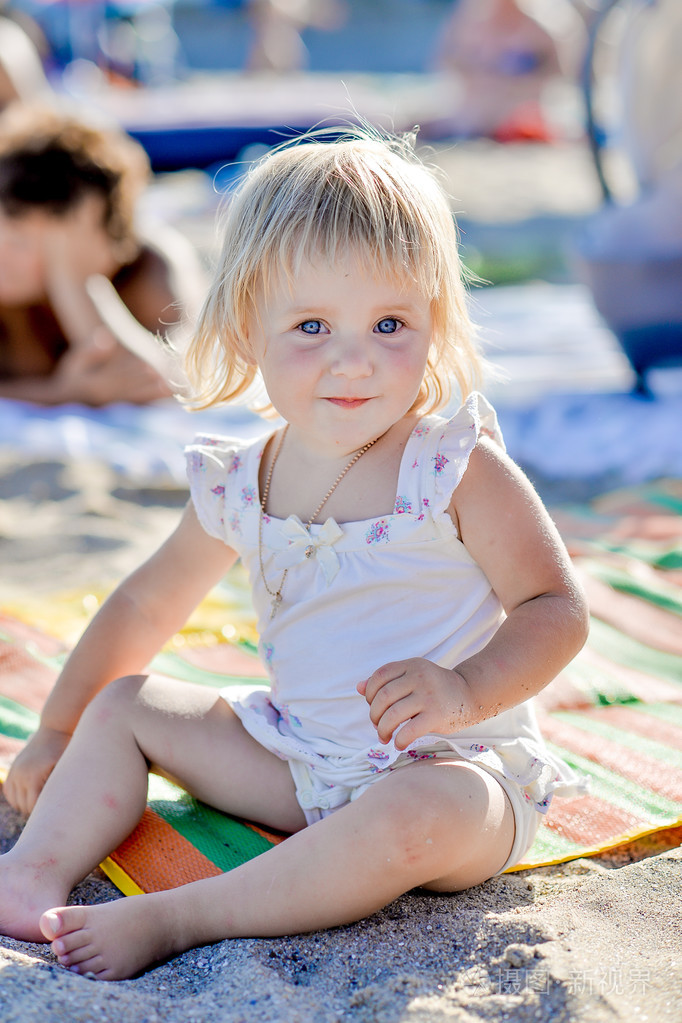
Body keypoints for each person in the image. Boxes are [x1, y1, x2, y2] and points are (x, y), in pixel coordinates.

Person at [0, 128, 589, 981]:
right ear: (247, 330)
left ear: (435, 323)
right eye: (312, 324)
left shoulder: (451, 464)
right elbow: (142, 608)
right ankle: (33, 872)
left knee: (423, 811)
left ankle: (184, 914)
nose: (354, 358)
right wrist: (59, 727)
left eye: (391, 323)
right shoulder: (246, 480)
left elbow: (555, 610)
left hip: (453, 766)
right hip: (301, 758)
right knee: (128, 702)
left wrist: (464, 690)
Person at [0, 104, 204, 405]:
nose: (2, 253)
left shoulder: (149, 266)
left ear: (106, 245)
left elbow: (174, 379)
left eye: (21, 243)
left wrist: (75, 280)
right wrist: (61, 393)